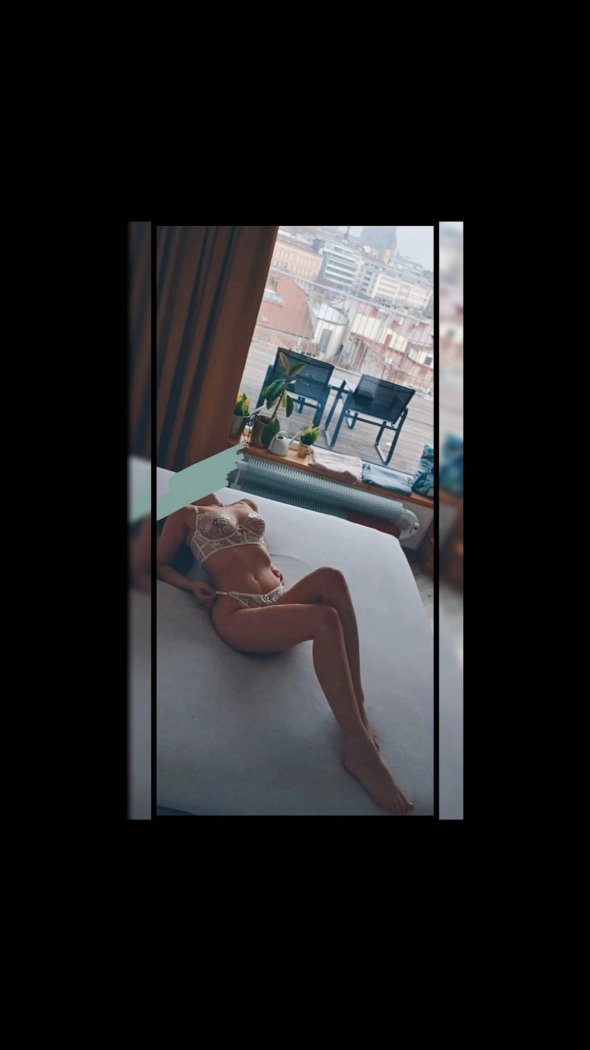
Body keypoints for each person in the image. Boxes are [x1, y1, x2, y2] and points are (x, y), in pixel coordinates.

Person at [157, 493, 414, 815]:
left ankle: (357, 704)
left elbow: (254, 550)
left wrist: (271, 566)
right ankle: (357, 746)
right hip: (237, 609)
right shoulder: (184, 512)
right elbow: (159, 563)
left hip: (277, 598)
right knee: (324, 618)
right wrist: (190, 585)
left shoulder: (246, 504)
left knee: (331, 577)